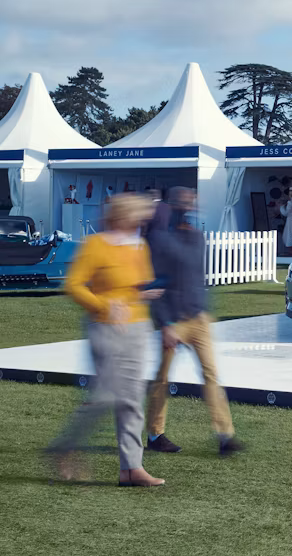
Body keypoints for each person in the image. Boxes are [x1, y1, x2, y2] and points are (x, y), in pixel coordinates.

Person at [47, 193, 166, 487]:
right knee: (107, 395)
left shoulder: (139, 244)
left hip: (138, 328)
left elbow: (137, 285)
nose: (143, 219)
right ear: (123, 215)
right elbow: (73, 285)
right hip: (104, 328)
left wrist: (143, 295)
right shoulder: (95, 245)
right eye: (139, 214)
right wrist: (105, 305)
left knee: (132, 400)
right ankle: (64, 447)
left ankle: (131, 469)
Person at [145, 187, 243, 457]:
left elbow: (197, 277)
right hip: (173, 321)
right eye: (185, 202)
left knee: (211, 374)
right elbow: (156, 284)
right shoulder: (160, 239)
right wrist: (165, 323)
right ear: (172, 206)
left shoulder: (197, 238)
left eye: (192, 202)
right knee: (162, 378)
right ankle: (155, 434)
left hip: (198, 318)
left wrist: (203, 311)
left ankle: (226, 436)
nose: (190, 206)